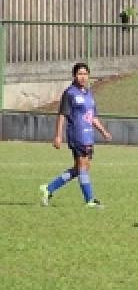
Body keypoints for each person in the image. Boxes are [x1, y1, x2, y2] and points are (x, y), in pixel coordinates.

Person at [39, 62, 112, 208]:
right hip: (76, 134)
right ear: (74, 75)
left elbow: (92, 116)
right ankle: (90, 200)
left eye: (85, 74)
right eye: (80, 74)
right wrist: (58, 136)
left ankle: (49, 188)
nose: (83, 77)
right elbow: (62, 115)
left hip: (88, 136)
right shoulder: (70, 93)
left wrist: (103, 131)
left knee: (81, 168)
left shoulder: (89, 94)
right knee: (82, 167)